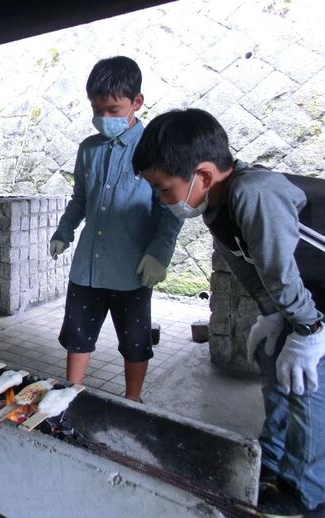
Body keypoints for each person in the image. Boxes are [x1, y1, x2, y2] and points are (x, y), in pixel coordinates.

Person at [132, 108, 324, 518]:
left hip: (315, 303)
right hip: (308, 300)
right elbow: (252, 274)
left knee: (309, 389)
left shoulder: (254, 191)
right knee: (273, 363)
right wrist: (272, 315)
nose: (163, 200)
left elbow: (278, 267)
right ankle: (270, 464)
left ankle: (305, 496)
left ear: (201, 176)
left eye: (164, 189)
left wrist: (306, 328)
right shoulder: (216, 210)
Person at [50, 56, 182, 402]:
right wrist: (64, 231)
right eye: (97, 111)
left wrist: (159, 253)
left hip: (132, 269)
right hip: (87, 268)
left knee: (135, 342)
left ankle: (133, 401)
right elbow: (80, 199)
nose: (103, 119)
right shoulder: (88, 150)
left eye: (112, 109)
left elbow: (171, 210)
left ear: (136, 102)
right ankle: (70, 395)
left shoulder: (153, 148)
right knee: (78, 335)